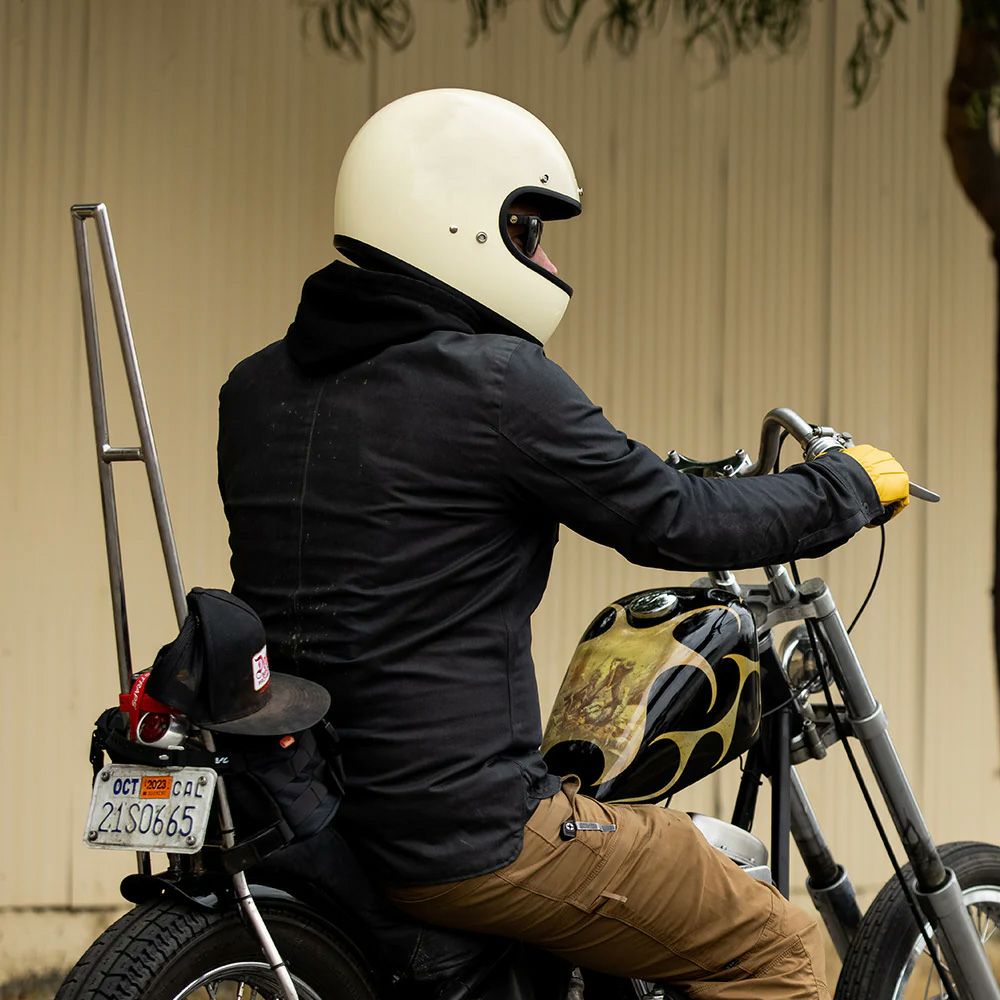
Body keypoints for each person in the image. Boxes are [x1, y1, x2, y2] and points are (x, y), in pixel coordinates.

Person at [217, 88, 909, 1000]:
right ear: (457, 224)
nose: (547, 260)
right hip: (465, 830)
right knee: (772, 940)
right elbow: (675, 519)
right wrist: (844, 488)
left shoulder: (255, 388)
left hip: (312, 805)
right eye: (528, 230)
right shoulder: (498, 384)